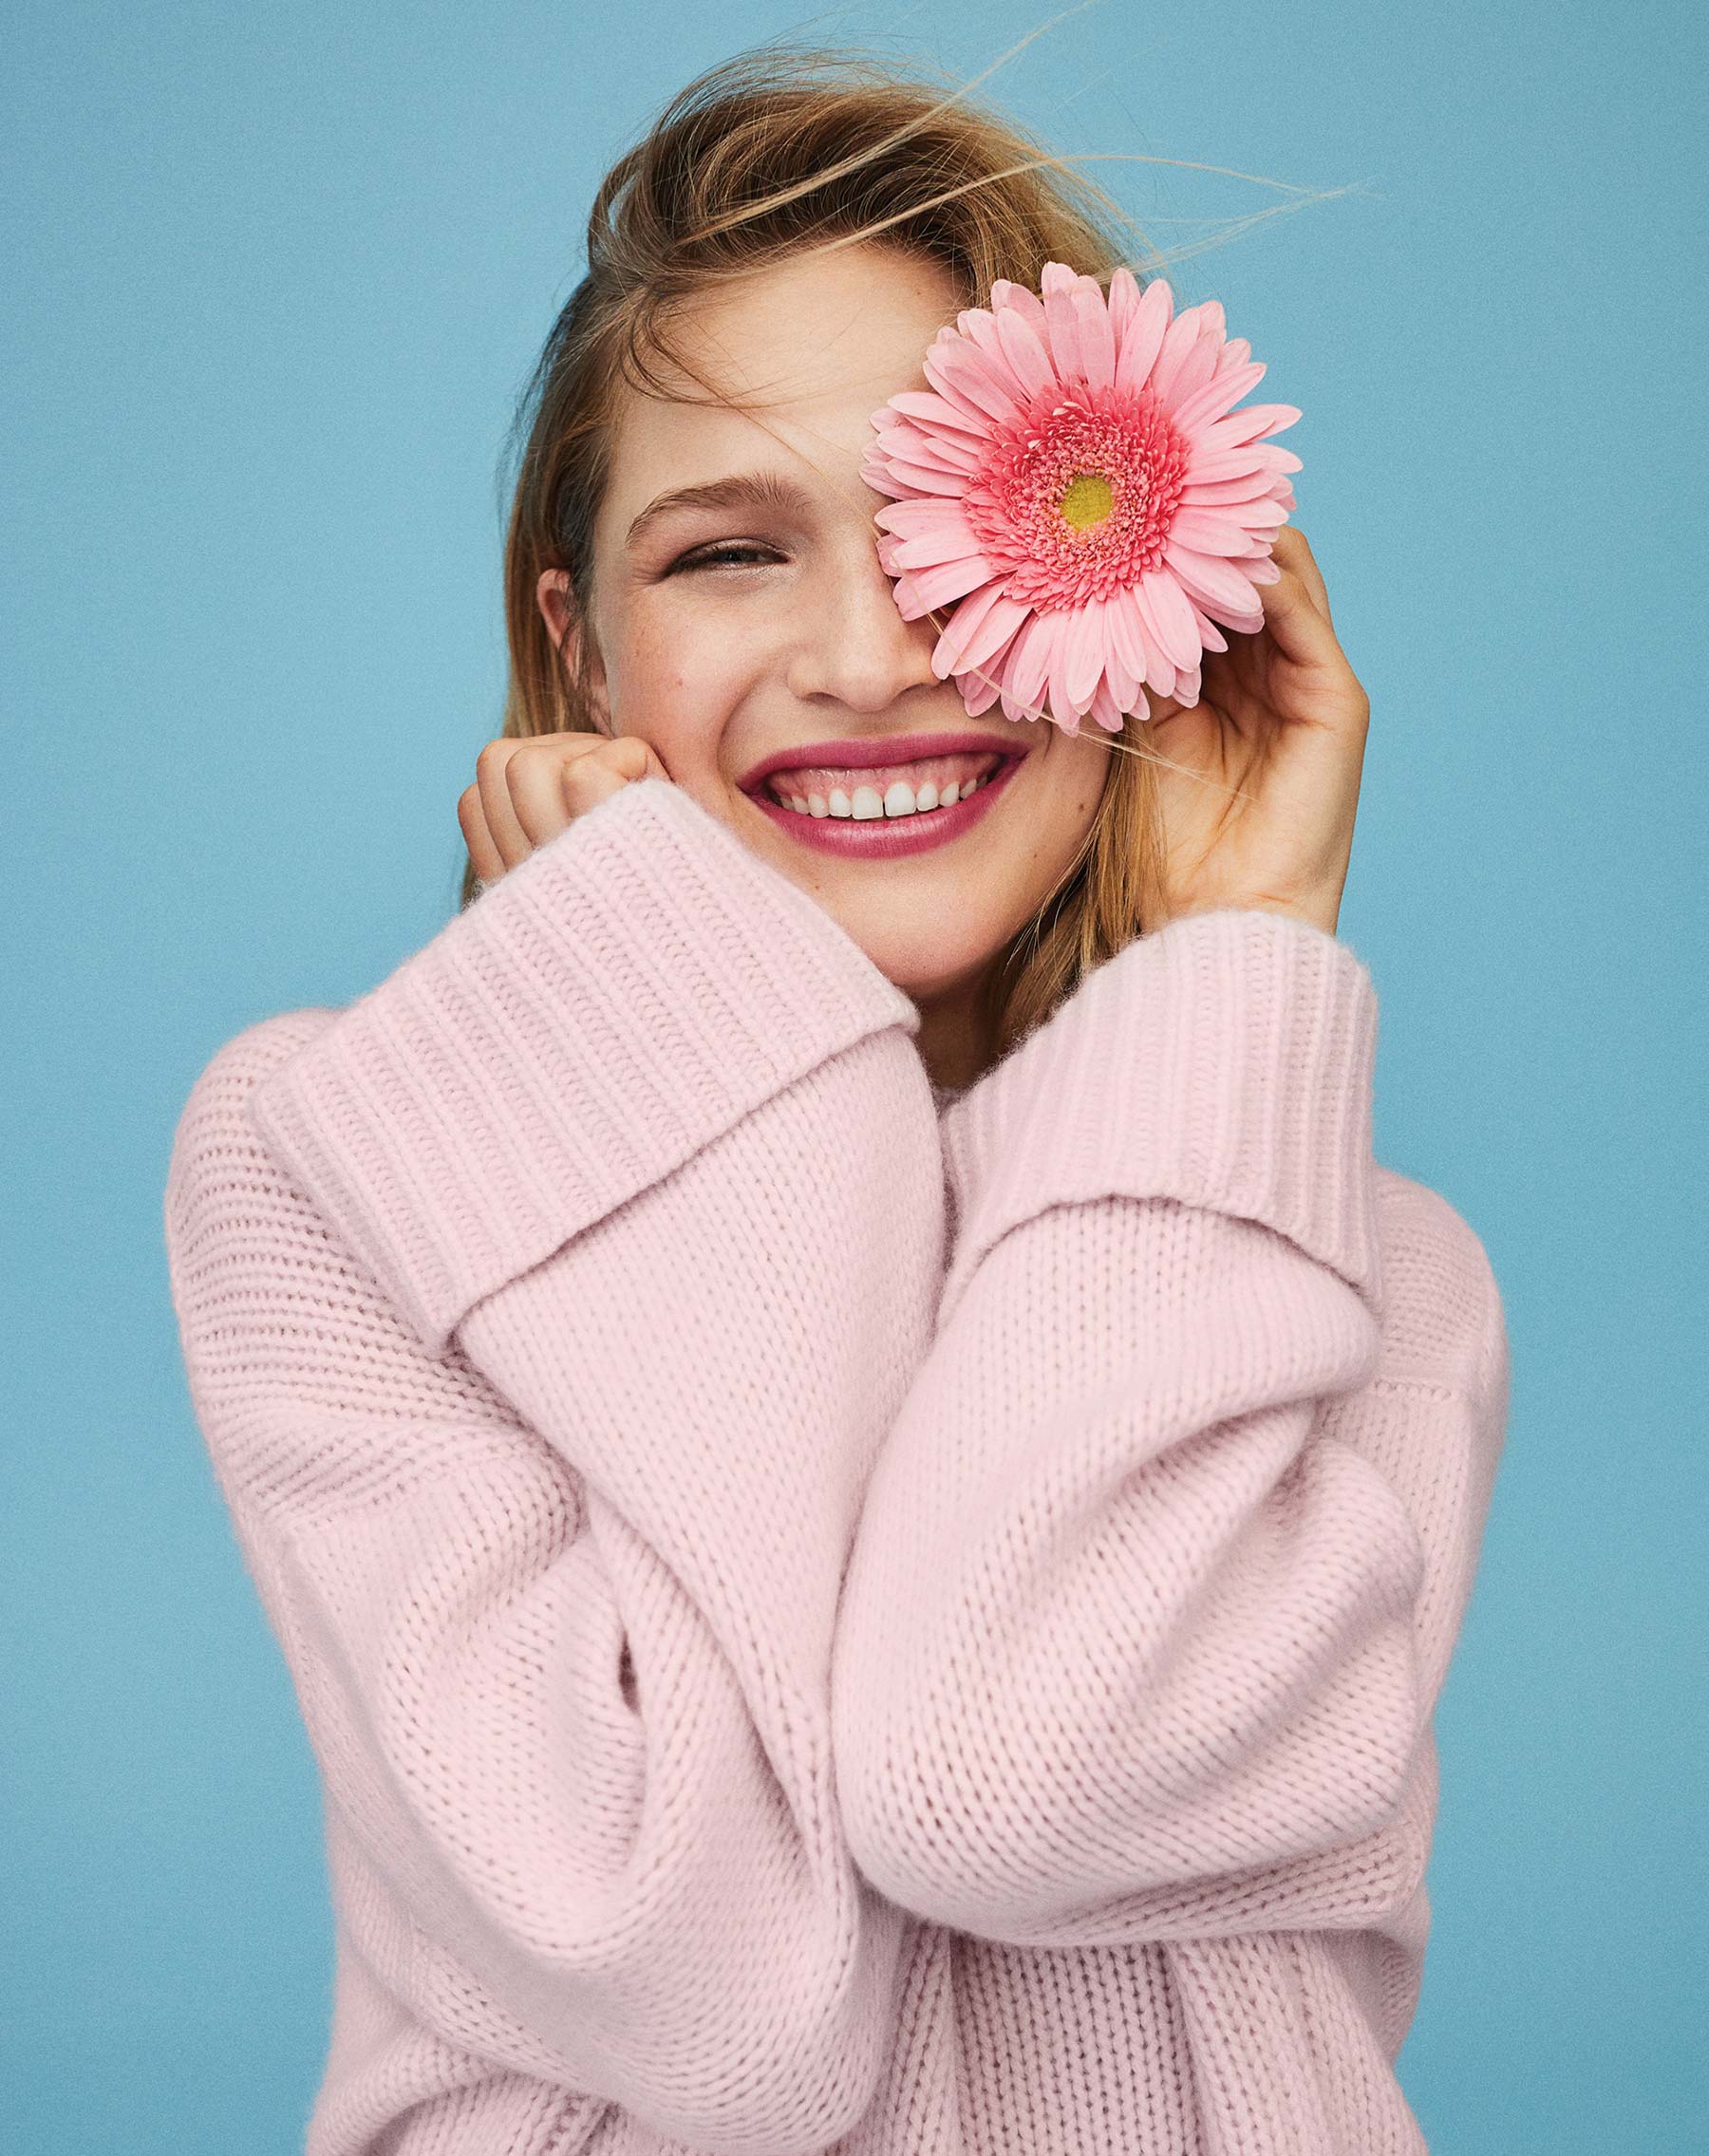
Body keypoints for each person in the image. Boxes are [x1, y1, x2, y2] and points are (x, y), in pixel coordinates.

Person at [163, 45, 1510, 2156]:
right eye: (726, 553)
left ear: (1161, 606)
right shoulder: (327, 1163)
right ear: (581, 646)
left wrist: (1237, 954)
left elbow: (1003, 1769)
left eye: (950, 529)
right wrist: (708, 1047)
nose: (873, 654)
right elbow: (722, 2007)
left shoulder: (1351, 1273)